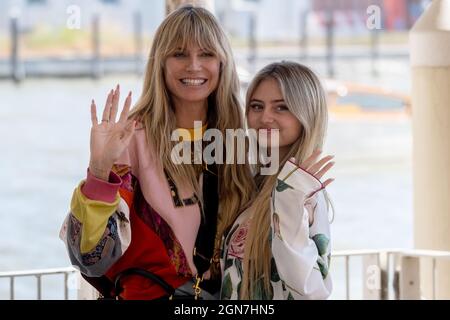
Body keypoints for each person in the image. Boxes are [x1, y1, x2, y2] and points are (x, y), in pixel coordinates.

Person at [59, 5, 254, 300]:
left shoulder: (241, 139)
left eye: (206, 54)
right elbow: (90, 257)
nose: (193, 65)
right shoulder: (130, 139)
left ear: (222, 63)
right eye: (179, 53)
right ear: (160, 63)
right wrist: (99, 170)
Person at [220, 61, 334, 300]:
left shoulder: (306, 193)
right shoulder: (255, 183)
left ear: (306, 114)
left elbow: (310, 290)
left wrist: (290, 200)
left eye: (281, 108)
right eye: (256, 106)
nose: (265, 117)